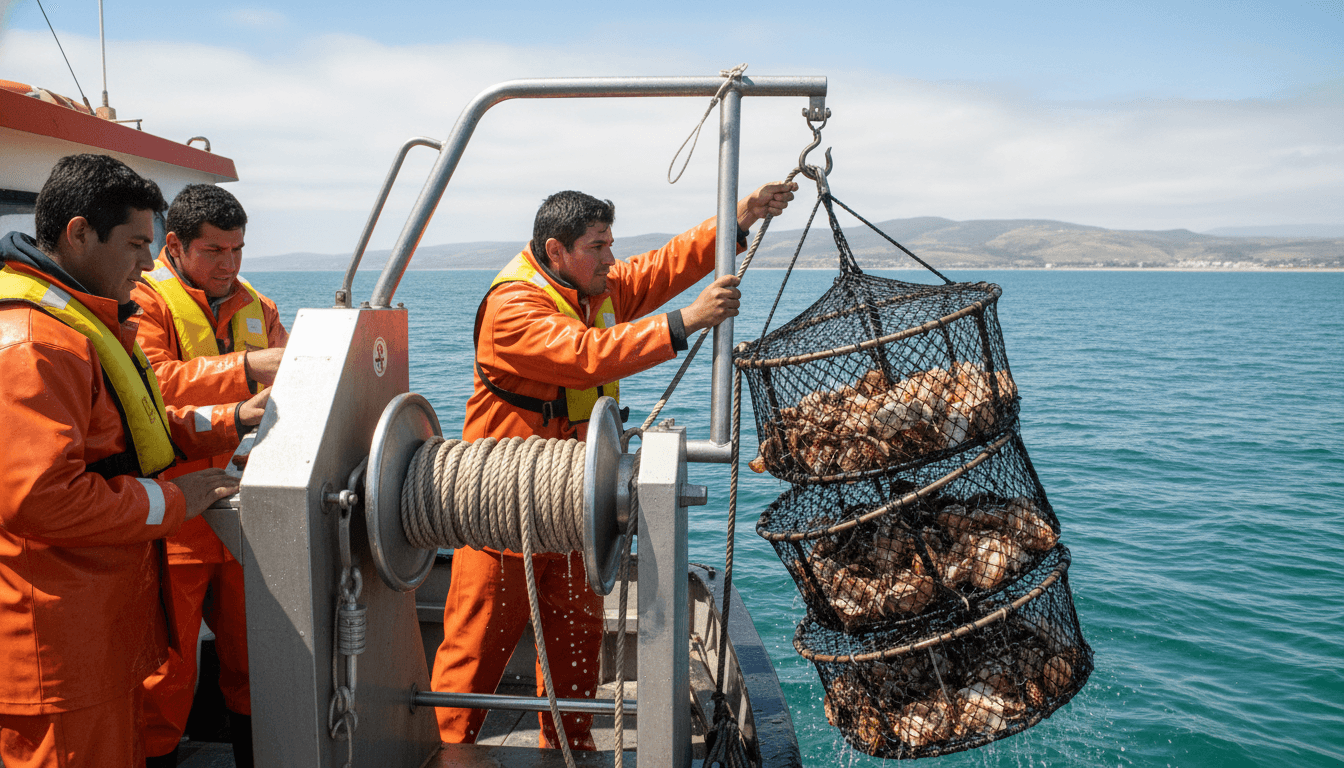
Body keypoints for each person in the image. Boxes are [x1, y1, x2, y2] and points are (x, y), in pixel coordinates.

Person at [432, 181, 797, 749]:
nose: (611, 259)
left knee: (577, 641)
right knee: (475, 648)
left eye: (610, 244)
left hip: (573, 502)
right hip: (502, 515)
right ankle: (449, 750)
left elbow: (664, 265)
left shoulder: (594, 287)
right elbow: (585, 356)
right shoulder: (512, 307)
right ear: (556, 251)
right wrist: (684, 322)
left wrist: (741, 216)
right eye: (597, 247)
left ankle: (569, 748)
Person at [0, 154, 267, 768]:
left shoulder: (79, 322)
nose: (148, 264)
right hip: (58, 654)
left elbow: (134, 429)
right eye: (137, 244)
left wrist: (232, 418)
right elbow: (43, 498)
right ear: (79, 233)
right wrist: (176, 500)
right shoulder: (35, 343)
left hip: (95, 635)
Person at [130, 184, 287, 768]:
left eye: (237, 250)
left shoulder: (260, 308)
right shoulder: (141, 301)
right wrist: (247, 367)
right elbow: (149, 382)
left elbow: (294, 384)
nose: (229, 264)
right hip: (174, 518)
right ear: (174, 245)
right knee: (165, 674)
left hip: (247, 514)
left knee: (257, 663)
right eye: (214, 251)